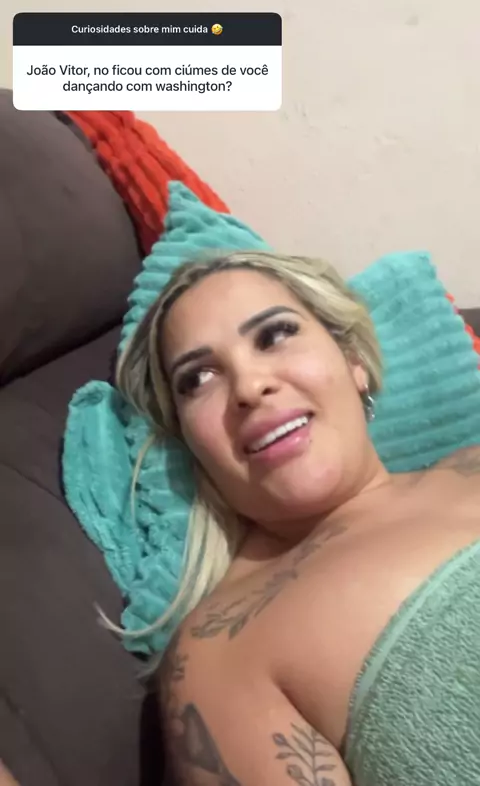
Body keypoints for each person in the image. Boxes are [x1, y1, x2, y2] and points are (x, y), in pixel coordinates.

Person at [117, 250, 480, 786]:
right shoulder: (222, 654)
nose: (248, 387)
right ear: (189, 442)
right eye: (198, 378)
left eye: (274, 335)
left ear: (352, 360)